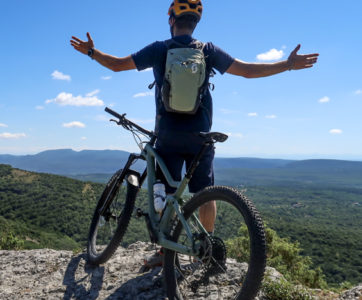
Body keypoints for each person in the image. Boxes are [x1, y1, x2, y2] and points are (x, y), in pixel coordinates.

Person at [70, 0, 319, 268]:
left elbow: (117, 65)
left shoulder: (159, 49)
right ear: (195, 23)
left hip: (168, 136)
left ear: (171, 21)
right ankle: (207, 248)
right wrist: (288, 64)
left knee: (164, 193)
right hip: (201, 136)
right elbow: (247, 71)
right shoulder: (208, 50)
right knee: (206, 193)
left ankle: (166, 254)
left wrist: (91, 52)